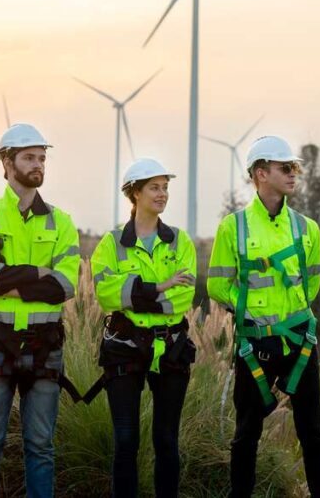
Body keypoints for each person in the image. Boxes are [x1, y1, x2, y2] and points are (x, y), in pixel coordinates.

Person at [207, 135, 320, 498]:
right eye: (285, 167)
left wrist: (286, 314)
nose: (294, 173)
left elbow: (312, 283)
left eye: (294, 167)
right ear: (261, 173)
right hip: (254, 343)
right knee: (246, 433)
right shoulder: (234, 227)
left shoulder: (307, 228)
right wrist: (252, 312)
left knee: (313, 433)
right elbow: (218, 285)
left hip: (300, 343)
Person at [0, 123, 82, 498]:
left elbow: (64, 286)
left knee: (41, 447)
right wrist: (39, 275)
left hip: (46, 344)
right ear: (6, 162)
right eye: (29, 157)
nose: (38, 165)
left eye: (42, 158)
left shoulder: (62, 222)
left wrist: (15, 280)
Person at [89, 157, 197, 498]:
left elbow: (183, 299)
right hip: (124, 348)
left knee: (166, 440)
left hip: (172, 348)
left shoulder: (181, 242)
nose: (162, 194)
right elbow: (106, 293)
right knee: (125, 440)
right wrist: (158, 287)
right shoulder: (110, 244)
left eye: (165, 187)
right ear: (134, 193)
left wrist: (135, 294)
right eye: (154, 187)